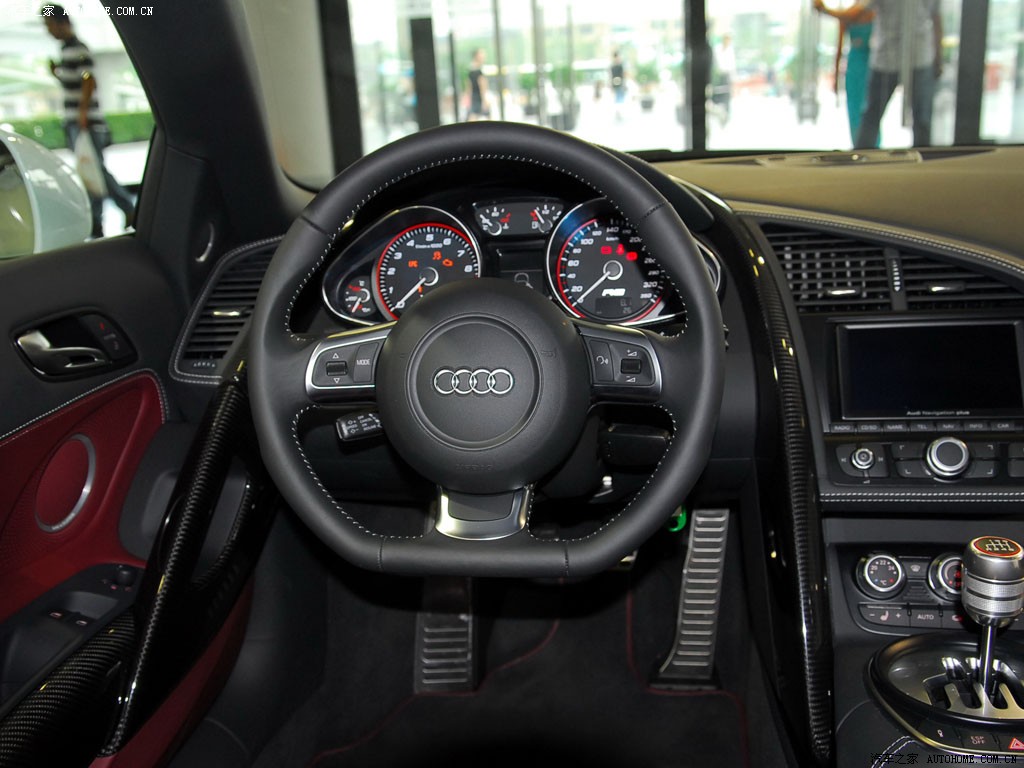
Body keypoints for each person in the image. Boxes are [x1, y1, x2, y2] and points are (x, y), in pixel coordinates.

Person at [43, 3, 134, 237]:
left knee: (94, 171)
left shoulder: (78, 49)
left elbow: (88, 80)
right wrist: (57, 74)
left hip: (85, 123)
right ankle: (107, 216)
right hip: (79, 121)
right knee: (91, 171)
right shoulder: (67, 50)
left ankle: (113, 214)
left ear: (62, 23)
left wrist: (82, 114)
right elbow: (79, 81)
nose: (48, 30)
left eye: (49, 24)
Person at [830, 0, 942, 149]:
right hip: (888, 58)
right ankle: (863, 158)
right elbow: (857, 13)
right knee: (872, 116)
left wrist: (938, 58)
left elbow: (936, 18)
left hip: (918, 57)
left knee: (921, 119)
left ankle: (923, 160)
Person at [813, 0, 876, 146]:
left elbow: (853, 14)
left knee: (870, 110)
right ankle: (858, 144)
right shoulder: (848, 16)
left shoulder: (870, 12)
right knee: (854, 109)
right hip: (853, 69)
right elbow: (839, 49)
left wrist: (824, 9)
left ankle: (871, 146)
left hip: (871, 66)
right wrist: (836, 78)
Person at [466, 48, 490, 121]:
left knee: (473, 117)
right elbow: (482, 86)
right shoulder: (478, 72)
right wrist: (484, 100)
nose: (483, 57)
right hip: (478, 98)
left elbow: (468, 86)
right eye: (481, 55)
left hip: (474, 98)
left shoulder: (471, 70)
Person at [610, 50, 626, 120]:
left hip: (619, 84)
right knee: (618, 98)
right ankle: (618, 112)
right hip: (616, 84)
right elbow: (611, 76)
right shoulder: (614, 66)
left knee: (619, 98)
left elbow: (623, 75)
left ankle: (619, 112)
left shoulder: (619, 66)